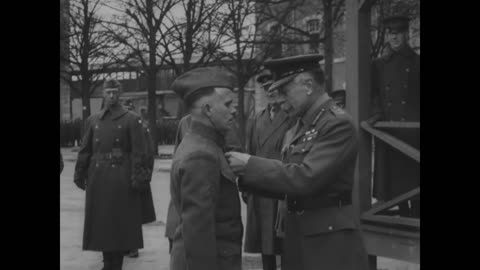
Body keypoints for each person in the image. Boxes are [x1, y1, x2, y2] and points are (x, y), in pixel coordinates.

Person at [226, 54, 369, 270]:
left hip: (328, 244)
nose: (280, 99)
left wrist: (250, 165)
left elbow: (305, 178)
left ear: (308, 85)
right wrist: (244, 179)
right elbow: (290, 181)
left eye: (284, 91)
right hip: (303, 236)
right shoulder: (305, 123)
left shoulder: (336, 124)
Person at [169, 66, 243, 270]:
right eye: (228, 104)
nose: (234, 110)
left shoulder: (204, 144)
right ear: (208, 110)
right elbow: (198, 233)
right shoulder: (201, 155)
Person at [74, 78, 150, 270]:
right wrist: (80, 172)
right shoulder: (93, 120)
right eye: (108, 92)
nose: (111, 96)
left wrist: (138, 177)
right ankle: (108, 263)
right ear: (102, 94)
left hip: (121, 177)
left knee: (118, 226)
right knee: (102, 226)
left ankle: (114, 265)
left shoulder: (131, 119)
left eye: (115, 92)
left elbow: (139, 151)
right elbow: (85, 149)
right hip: (98, 178)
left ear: (120, 94)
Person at [368, 15, 420, 217]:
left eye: (398, 33)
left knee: (414, 186)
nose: (395, 38)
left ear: (406, 34)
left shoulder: (416, 62)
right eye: (391, 34)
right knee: (395, 190)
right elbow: (374, 94)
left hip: (413, 136)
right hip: (389, 134)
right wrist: (377, 113)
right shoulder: (379, 65)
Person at [242, 69, 293, 270]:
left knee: (286, 243)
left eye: (272, 87)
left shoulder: (290, 117)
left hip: (281, 186)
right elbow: (249, 152)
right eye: (265, 89)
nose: (269, 92)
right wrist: (247, 186)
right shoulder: (256, 119)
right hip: (261, 189)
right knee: (266, 244)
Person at [122, 99, 157, 259]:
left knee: (133, 213)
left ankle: (133, 247)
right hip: (125, 174)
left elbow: (148, 153)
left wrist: (145, 174)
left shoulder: (141, 129)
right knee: (125, 212)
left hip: (136, 173)